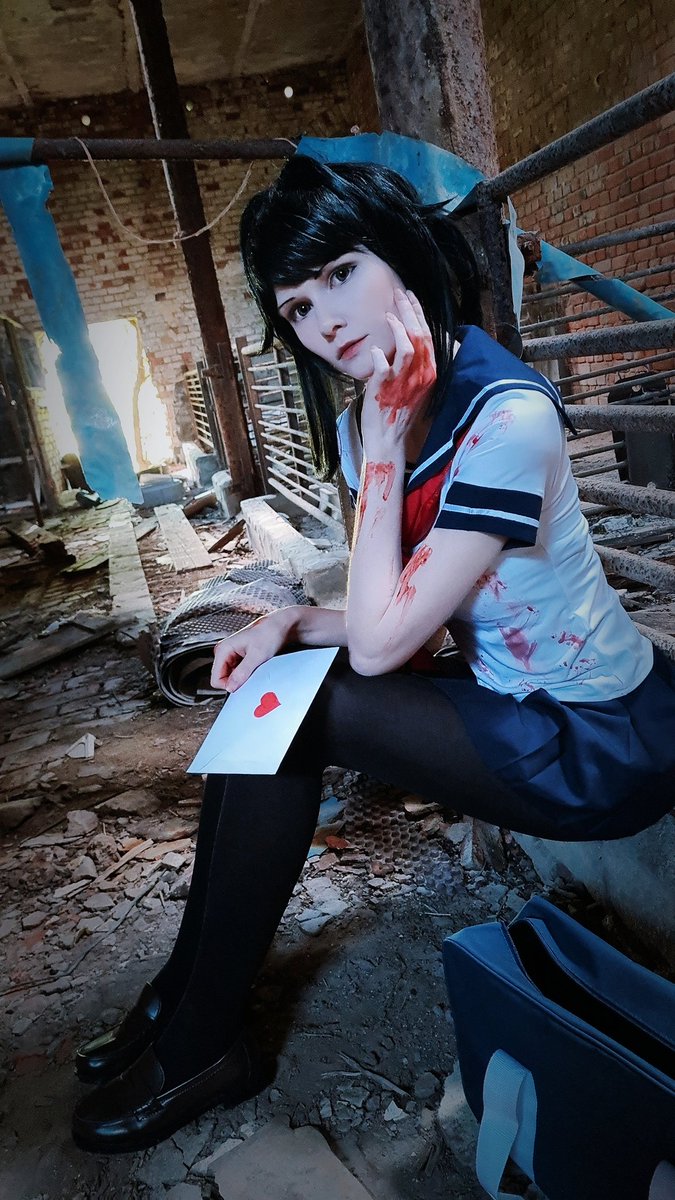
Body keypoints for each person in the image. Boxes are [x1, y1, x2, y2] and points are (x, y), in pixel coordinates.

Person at [72, 155, 675, 1154]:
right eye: (299, 307)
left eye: (341, 273)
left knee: (307, 711)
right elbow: (399, 613)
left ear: (400, 253)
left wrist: (387, 444)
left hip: (598, 739)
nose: (326, 322)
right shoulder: (370, 422)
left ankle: (201, 1040)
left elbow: (390, 642)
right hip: (509, 701)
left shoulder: (506, 416)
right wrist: (285, 626)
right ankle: (184, 992)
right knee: (278, 685)